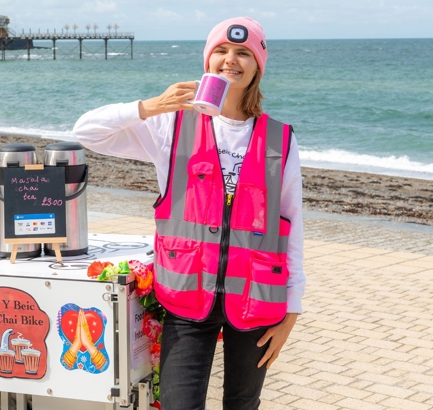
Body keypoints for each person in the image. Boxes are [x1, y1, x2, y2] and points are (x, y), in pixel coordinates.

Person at [72, 17, 305, 409]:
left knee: (243, 405)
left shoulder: (281, 139)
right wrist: (147, 107)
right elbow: (87, 132)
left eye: (244, 53)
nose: (231, 60)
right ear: (207, 60)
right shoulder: (169, 125)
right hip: (186, 296)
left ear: (258, 66)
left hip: (257, 299)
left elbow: (291, 226)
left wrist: (292, 312)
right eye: (222, 51)